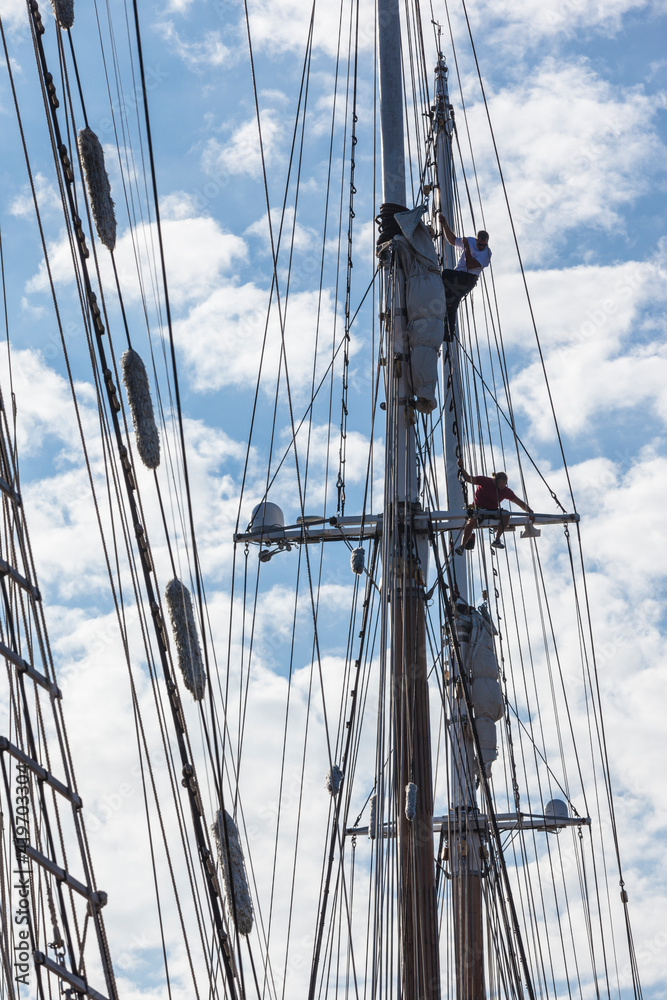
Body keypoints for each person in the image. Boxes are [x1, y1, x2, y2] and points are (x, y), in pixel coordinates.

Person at [455, 459, 533, 554]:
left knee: (506, 514)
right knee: (472, 521)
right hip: (479, 509)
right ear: (495, 481)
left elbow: (520, 503)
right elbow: (468, 479)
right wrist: (461, 468)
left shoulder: (505, 491)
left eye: (505, 485)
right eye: (501, 485)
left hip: (492, 510)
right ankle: (462, 545)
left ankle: (497, 539)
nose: (503, 488)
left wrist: (530, 511)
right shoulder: (485, 481)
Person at [437, 213, 491, 340]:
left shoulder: (487, 253)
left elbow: (471, 265)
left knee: (446, 274)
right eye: (479, 244)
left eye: (484, 245)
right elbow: (452, 240)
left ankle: (449, 330)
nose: (481, 247)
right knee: (451, 302)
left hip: (467, 279)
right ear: (477, 240)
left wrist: (466, 247)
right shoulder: (472, 241)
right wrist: (445, 225)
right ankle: (449, 332)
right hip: (459, 276)